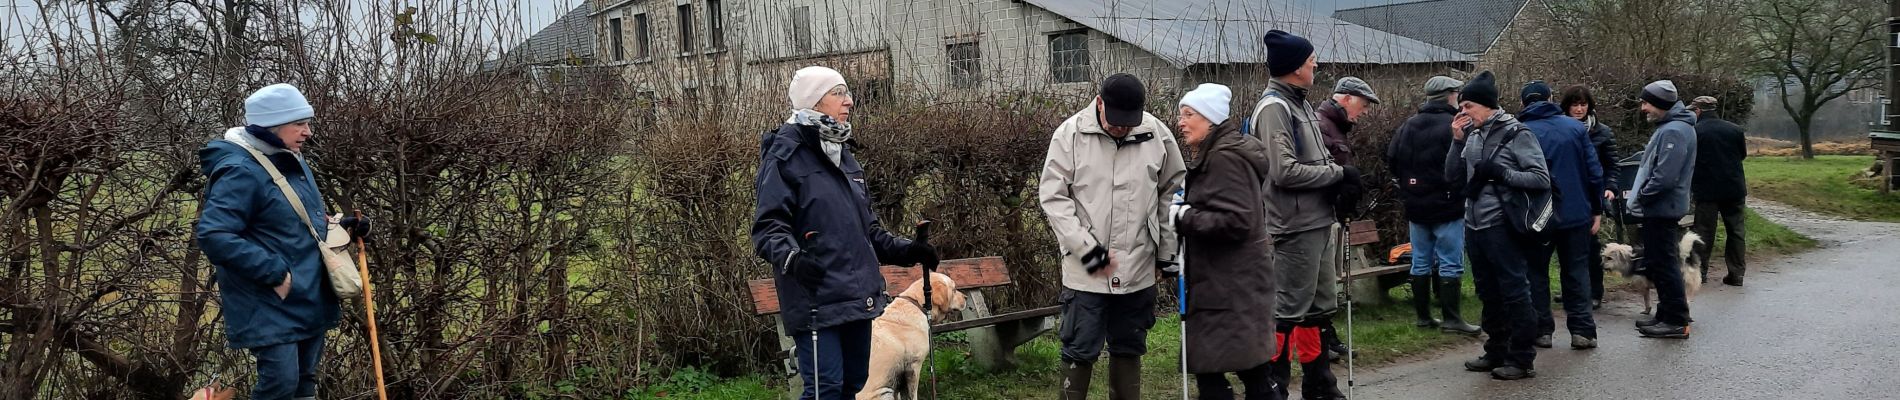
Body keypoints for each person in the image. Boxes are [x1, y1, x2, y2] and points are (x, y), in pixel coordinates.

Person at [751, 66, 940, 400]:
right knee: (826, 390)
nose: (849, 101)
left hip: (857, 296)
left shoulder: (845, 155)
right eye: (838, 93)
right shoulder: (785, 155)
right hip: (815, 296)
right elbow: (768, 228)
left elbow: (867, 231)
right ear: (813, 101)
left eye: (847, 92)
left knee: (852, 384)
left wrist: (909, 251)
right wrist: (794, 260)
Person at [196, 83, 370, 399]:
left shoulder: (289, 158)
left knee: (304, 382)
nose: (307, 132)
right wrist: (274, 272)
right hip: (269, 298)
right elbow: (214, 235)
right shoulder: (240, 169)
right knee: (280, 384)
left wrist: (345, 228)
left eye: (308, 123)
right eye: (299, 124)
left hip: (308, 291)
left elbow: (297, 220)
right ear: (272, 125)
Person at [1038, 72, 1186, 400]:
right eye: (1115, 120)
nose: (1121, 128)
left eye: (1128, 122)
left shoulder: (1155, 134)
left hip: (1137, 266)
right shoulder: (1070, 135)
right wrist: (1086, 250)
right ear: (1099, 103)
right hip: (1086, 272)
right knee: (1079, 345)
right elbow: (1054, 198)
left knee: (1130, 344)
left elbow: (1171, 194)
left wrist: (1167, 253)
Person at [1252, 29, 1353, 400]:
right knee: (1287, 309)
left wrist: (1339, 186)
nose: (1316, 67)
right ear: (1296, 68)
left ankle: (1318, 382)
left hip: (1317, 219)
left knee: (1318, 306)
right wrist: (1339, 174)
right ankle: (1272, 384)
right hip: (1292, 225)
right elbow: (1284, 171)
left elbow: (1317, 159)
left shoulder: (1302, 103)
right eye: (1312, 62)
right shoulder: (1274, 108)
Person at [1172, 83, 1278, 400]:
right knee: (1244, 371)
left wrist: (1183, 217)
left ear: (1210, 119)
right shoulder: (1223, 152)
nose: (1181, 121)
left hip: (1228, 287)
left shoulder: (1223, 159)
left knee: (1223, 375)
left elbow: (1237, 221)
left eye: (1188, 114)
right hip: (1229, 284)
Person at [1444, 71, 1551, 381]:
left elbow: (1540, 178)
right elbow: (1452, 176)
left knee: (1515, 290)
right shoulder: (1473, 134)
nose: (1462, 113)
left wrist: (1502, 174)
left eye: (1467, 107)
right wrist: (1455, 141)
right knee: (1488, 291)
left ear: (1487, 105)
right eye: (1460, 107)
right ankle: (1496, 350)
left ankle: (1522, 357)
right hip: (1474, 225)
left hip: (1503, 224)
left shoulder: (1518, 133)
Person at [1387, 76, 1482, 335]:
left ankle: (1424, 317)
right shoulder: (1456, 126)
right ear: (1449, 96)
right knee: (1450, 261)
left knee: (1420, 260)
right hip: (1448, 203)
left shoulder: (1408, 125)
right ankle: (1452, 318)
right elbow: (1467, 162)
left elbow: (1392, 159)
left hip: (1415, 204)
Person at [1516, 81, 1604, 350]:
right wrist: (1597, 210)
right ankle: (1582, 331)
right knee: (1576, 271)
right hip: (1576, 212)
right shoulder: (1576, 129)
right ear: (1551, 99)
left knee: (1536, 273)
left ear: (1523, 103)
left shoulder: (1518, 131)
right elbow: (1594, 172)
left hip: (1536, 216)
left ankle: (1542, 330)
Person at [1629, 80, 1699, 339]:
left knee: (1664, 262)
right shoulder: (1674, 127)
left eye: (1646, 102)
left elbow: (1665, 176)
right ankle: (1666, 313)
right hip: (1663, 206)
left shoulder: (1674, 132)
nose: (1643, 107)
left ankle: (1676, 320)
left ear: (1660, 103)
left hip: (1662, 207)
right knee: (1660, 261)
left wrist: (1644, 196)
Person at [1558, 85, 1619, 309]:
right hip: (1568, 194)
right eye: (1575, 104)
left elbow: (1612, 165)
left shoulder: (1603, 132)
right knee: (1567, 248)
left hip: (1593, 194)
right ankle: (1571, 291)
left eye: (1583, 104)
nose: (1579, 109)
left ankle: (1595, 291)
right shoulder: (1559, 129)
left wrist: (1610, 186)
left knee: (1592, 248)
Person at [1689, 96, 1748, 287]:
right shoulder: (1735, 130)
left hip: (1707, 189)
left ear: (1698, 111)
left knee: (1704, 231)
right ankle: (1736, 273)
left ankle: (1701, 272)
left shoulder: (1695, 132)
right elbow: (1742, 155)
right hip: (1734, 188)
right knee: (1736, 231)